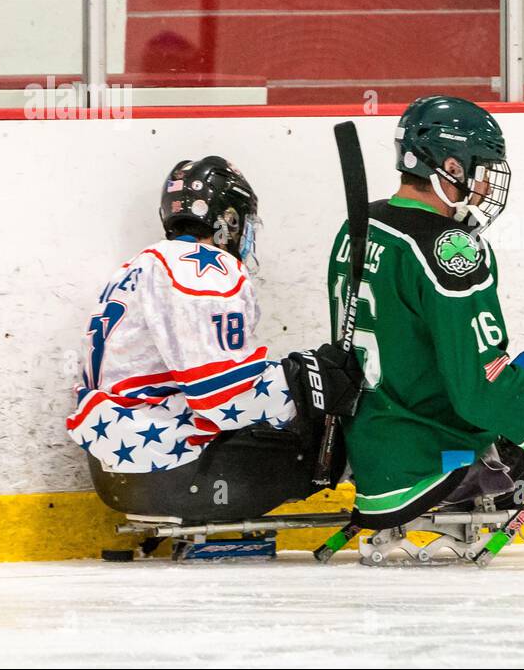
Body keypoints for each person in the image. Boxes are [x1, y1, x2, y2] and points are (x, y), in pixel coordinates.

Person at [327, 96, 524, 528]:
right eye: (481, 170)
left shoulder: (360, 225)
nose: (486, 187)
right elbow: (478, 385)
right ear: (451, 168)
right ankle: (472, 486)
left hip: (370, 456)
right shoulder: (451, 250)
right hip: (427, 463)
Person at [66, 155, 362, 520]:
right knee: (324, 415)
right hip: (170, 470)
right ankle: (399, 491)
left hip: (118, 471)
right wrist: (308, 379)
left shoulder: (136, 268)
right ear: (230, 220)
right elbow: (223, 397)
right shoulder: (203, 268)